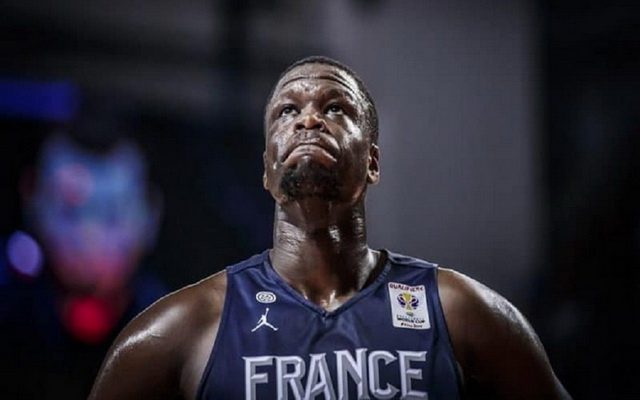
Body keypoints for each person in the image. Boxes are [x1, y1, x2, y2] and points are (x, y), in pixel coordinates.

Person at [89, 56, 570, 399]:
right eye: (287, 111)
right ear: (266, 169)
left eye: (336, 108)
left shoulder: (459, 311)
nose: (309, 120)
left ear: (373, 161)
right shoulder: (185, 326)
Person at [0, 129, 166, 399]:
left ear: (150, 213)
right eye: (70, 213)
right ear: (32, 197)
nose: (89, 237)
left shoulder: (177, 334)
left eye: (112, 214)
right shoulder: (10, 319)